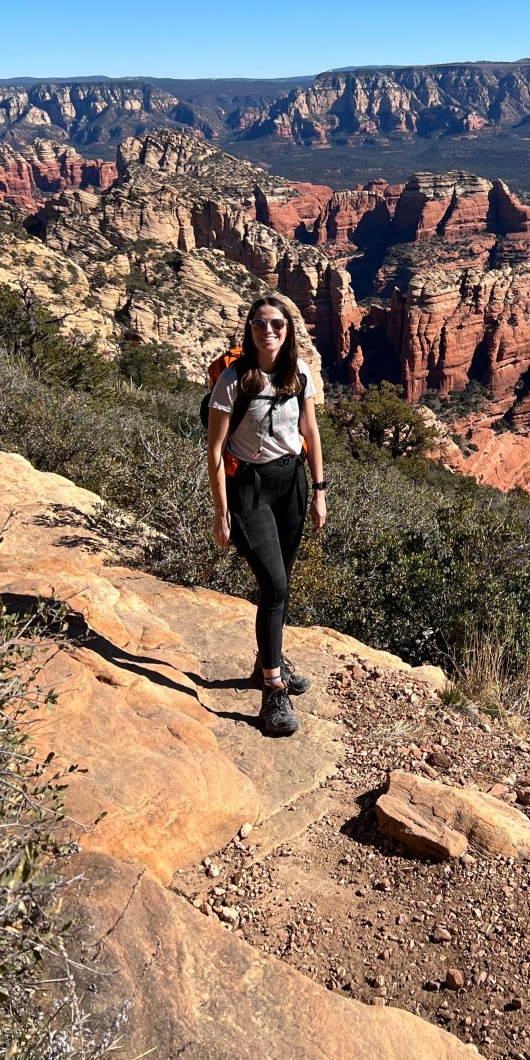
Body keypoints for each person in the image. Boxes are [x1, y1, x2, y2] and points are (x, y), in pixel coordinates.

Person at [207, 294, 327, 736]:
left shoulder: (300, 373)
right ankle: (273, 692)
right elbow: (215, 451)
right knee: (274, 584)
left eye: (276, 323)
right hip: (250, 491)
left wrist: (318, 491)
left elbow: (309, 430)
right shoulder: (235, 380)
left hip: (292, 484)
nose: (268, 330)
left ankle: (266, 662)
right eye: (260, 323)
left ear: (288, 329)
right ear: (250, 330)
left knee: (280, 584)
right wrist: (221, 512)